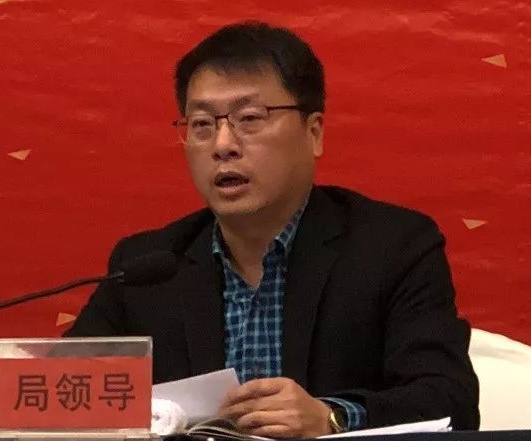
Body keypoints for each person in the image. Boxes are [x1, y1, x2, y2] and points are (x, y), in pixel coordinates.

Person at [65, 21, 480, 437]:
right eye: (202, 124)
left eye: (249, 118)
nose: (222, 145)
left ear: (314, 132)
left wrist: (331, 417)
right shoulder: (147, 268)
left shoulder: (393, 247)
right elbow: (64, 391)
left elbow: (450, 400)